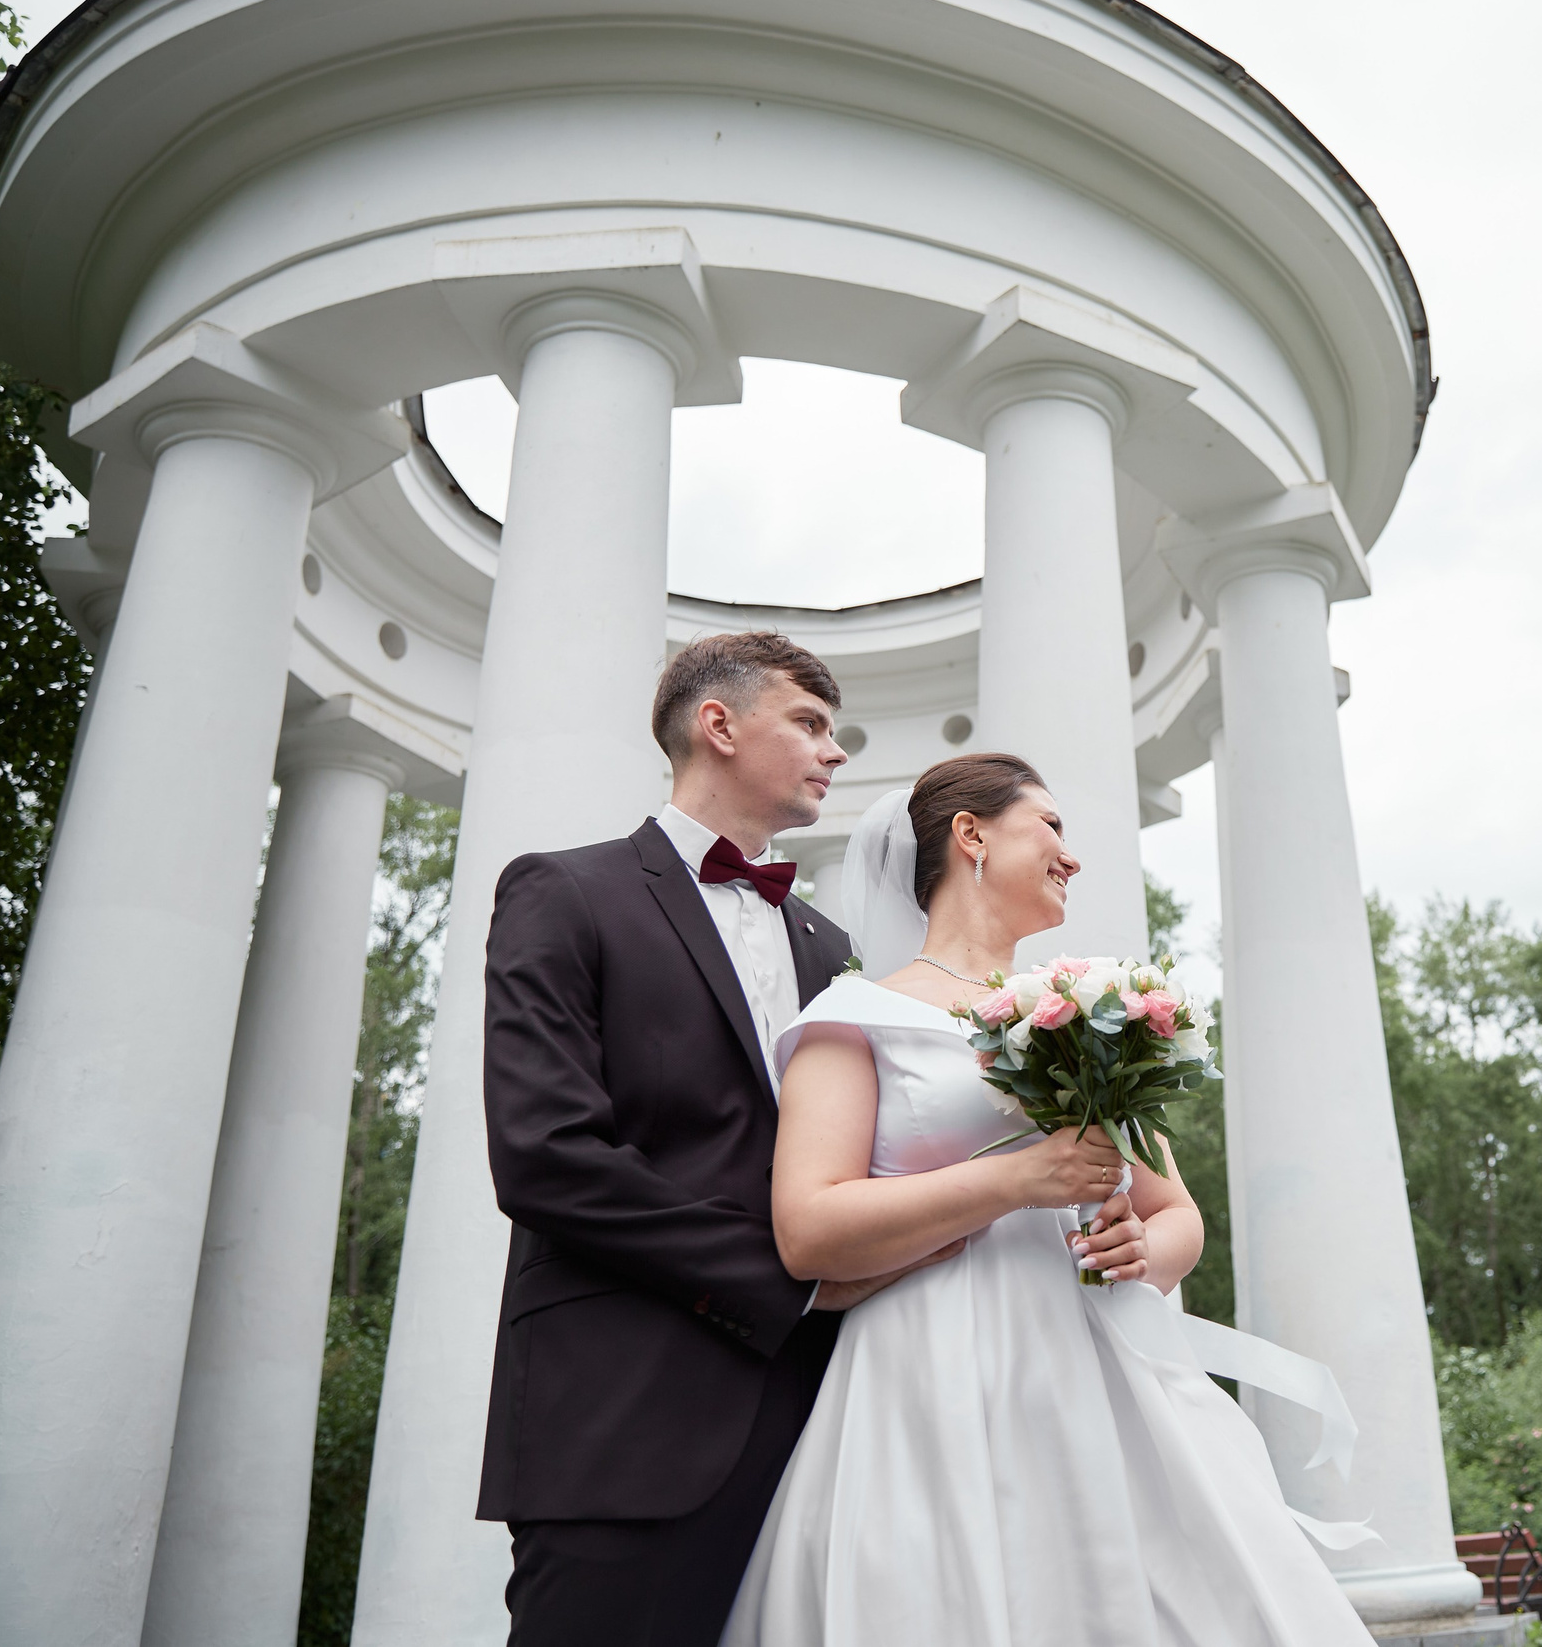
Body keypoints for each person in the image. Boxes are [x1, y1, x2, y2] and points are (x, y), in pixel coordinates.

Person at [721, 753, 1373, 1646]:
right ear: (972, 833)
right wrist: (1016, 1181)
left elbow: (1175, 1213)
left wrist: (1145, 1252)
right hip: (929, 1374)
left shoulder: (1092, 1010)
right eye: (1053, 827)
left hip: (1101, 1373)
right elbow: (807, 1230)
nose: (1073, 855)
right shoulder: (855, 1014)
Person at [476, 633, 965, 1647]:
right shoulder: (563, 893)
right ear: (718, 724)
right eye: (811, 724)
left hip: (831, 1415)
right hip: (626, 1412)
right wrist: (790, 1281)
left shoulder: (831, 948)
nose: (835, 752)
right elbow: (545, 1152)